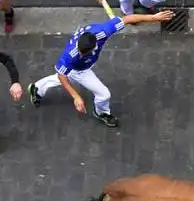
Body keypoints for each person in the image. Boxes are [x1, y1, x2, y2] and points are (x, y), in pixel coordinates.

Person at [27, 10, 175, 129]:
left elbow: (127, 19)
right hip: (80, 70)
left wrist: (154, 17)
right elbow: (61, 75)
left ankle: (36, 88)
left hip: (82, 67)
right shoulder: (71, 56)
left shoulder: (102, 32)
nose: (81, 54)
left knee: (66, 76)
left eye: (84, 53)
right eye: (80, 52)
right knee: (103, 94)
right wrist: (76, 96)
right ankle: (102, 112)